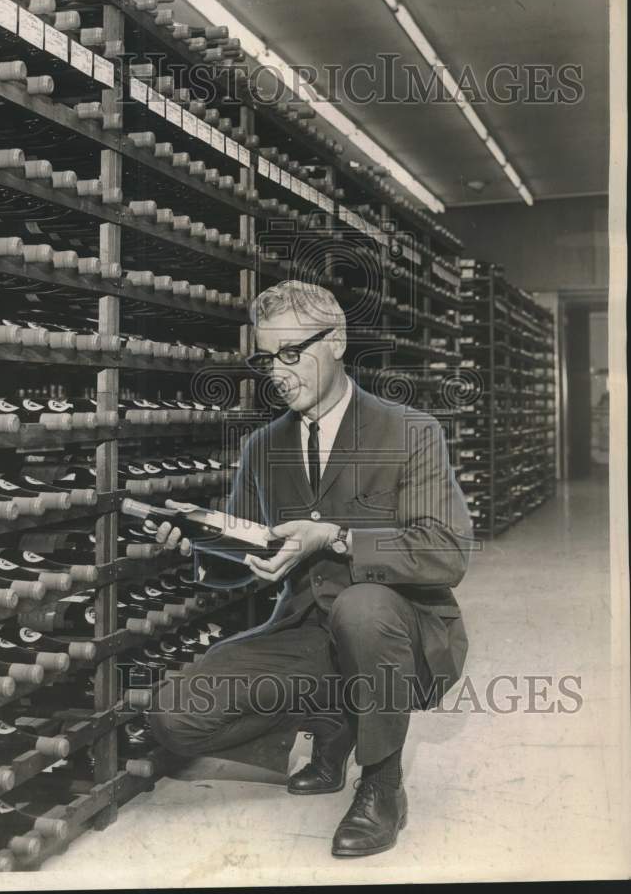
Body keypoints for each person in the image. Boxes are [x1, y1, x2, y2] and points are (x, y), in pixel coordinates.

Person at [149, 279, 473, 858]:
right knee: (175, 716)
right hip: (312, 633)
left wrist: (339, 537)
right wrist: (196, 550)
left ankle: (381, 785)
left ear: (338, 341)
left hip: (404, 634)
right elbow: (247, 557)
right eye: (266, 357)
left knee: (362, 606)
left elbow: (446, 550)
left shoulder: (410, 431)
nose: (278, 371)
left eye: (292, 352)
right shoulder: (262, 448)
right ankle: (335, 723)